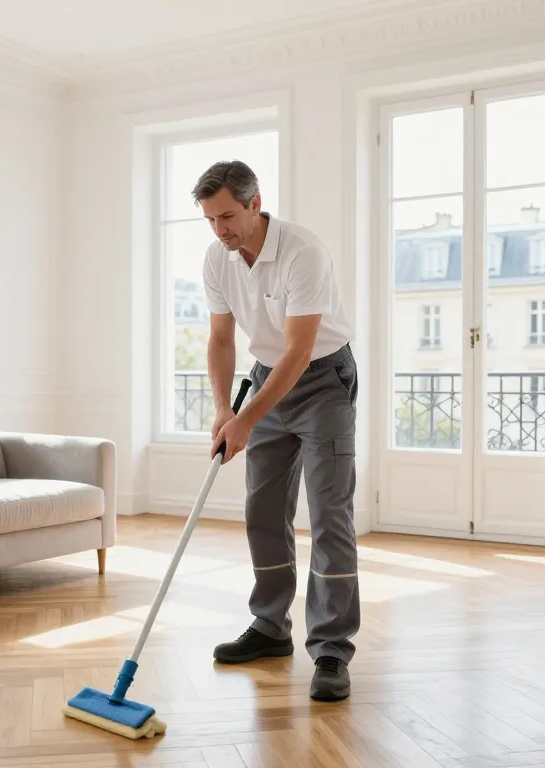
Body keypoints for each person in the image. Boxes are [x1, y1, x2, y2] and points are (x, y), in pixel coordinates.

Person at [193, 159, 360, 702]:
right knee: (262, 509)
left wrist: (246, 419)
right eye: (210, 219)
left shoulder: (302, 252)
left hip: (322, 382)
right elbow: (221, 340)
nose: (220, 230)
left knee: (330, 513)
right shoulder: (218, 260)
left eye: (227, 216)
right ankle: (269, 626)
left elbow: (300, 350)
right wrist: (224, 408)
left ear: (255, 202)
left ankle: (332, 647)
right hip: (266, 378)